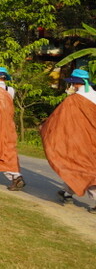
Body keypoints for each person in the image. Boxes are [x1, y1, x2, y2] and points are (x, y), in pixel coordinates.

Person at [41, 69, 96, 211]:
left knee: (84, 169)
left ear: (75, 83)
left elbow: (58, 119)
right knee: (77, 166)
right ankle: (67, 193)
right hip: (92, 139)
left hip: (78, 140)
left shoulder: (73, 100)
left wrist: (45, 128)